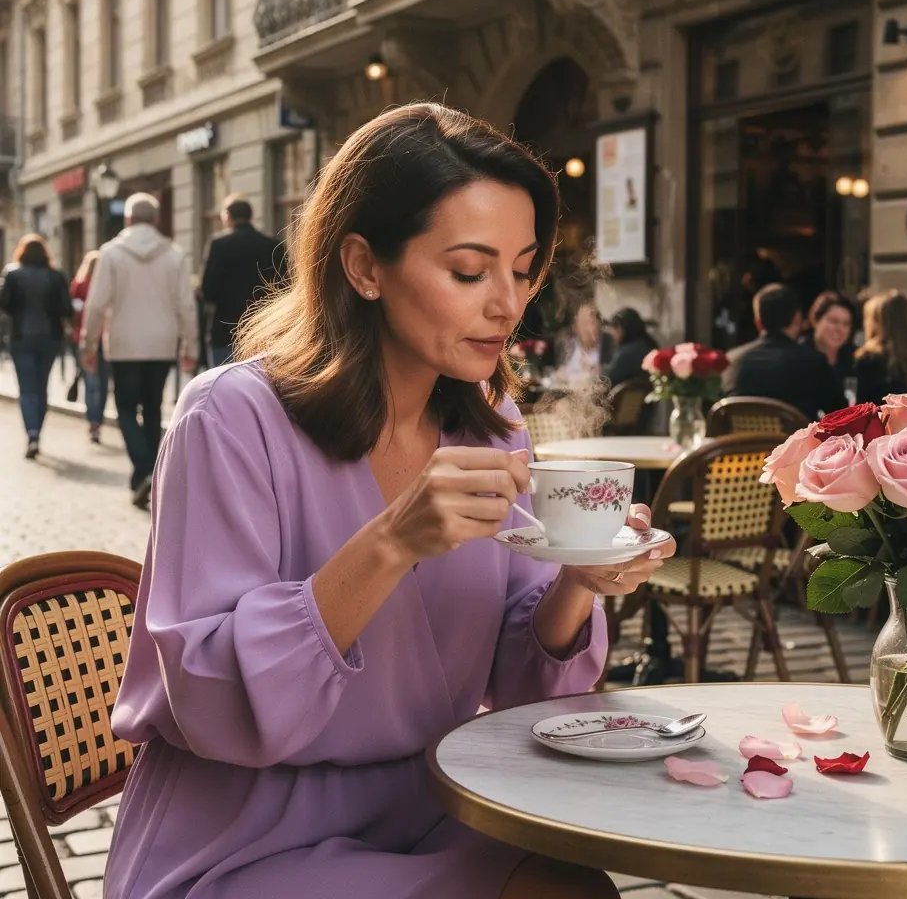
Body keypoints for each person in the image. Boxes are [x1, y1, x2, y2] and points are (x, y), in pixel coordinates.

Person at [104, 104, 672, 899]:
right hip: (246, 835)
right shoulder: (230, 417)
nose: (507, 305)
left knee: (581, 889)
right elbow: (206, 695)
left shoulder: (492, 425)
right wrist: (390, 541)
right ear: (364, 266)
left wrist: (578, 581)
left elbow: (521, 689)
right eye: (470, 271)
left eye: (523, 267)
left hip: (440, 803)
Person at [82, 193, 197, 508]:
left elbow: (95, 305)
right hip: (161, 344)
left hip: (123, 344)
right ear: (156, 220)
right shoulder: (173, 255)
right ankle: (145, 477)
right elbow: (186, 305)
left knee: (125, 410)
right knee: (153, 408)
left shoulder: (111, 254)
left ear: (128, 220)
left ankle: (145, 470)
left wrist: (87, 344)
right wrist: (191, 345)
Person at [723, 282, 847, 421]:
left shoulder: (730, 362)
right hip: (795, 442)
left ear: (758, 323)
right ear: (797, 318)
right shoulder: (813, 362)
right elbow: (844, 417)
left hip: (739, 443)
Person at [0, 234, 72, 458]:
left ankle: (32, 433)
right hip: (49, 337)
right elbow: (66, 307)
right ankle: (36, 431)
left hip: (22, 336)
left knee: (27, 389)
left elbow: (4, 303)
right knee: (41, 387)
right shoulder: (56, 276)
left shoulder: (12, 274)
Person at [199, 194, 287, 366]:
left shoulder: (218, 245)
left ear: (227, 217)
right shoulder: (272, 246)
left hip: (226, 332)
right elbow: (284, 288)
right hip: (263, 331)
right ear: (251, 217)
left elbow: (208, 291)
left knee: (222, 387)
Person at [70, 250, 109, 443]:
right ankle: (97, 421)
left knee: (91, 383)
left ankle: (93, 422)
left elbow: (73, 312)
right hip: (107, 340)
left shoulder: (80, 285)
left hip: (85, 338)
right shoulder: (106, 285)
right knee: (101, 384)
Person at [802, 290, 856, 397]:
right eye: (833, 321)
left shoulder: (855, 360)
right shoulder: (799, 357)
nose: (839, 329)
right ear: (815, 321)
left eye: (846, 324)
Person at [554, 300, 613, 386]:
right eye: (585, 323)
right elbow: (559, 373)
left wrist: (591, 369)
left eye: (593, 322)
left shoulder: (606, 341)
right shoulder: (567, 341)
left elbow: (607, 375)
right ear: (575, 326)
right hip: (568, 391)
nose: (591, 328)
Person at [604, 307, 658, 387]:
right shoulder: (651, 347)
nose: (612, 334)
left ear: (619, 328)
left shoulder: (625, 355)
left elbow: (606, 383)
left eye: (613, 329)